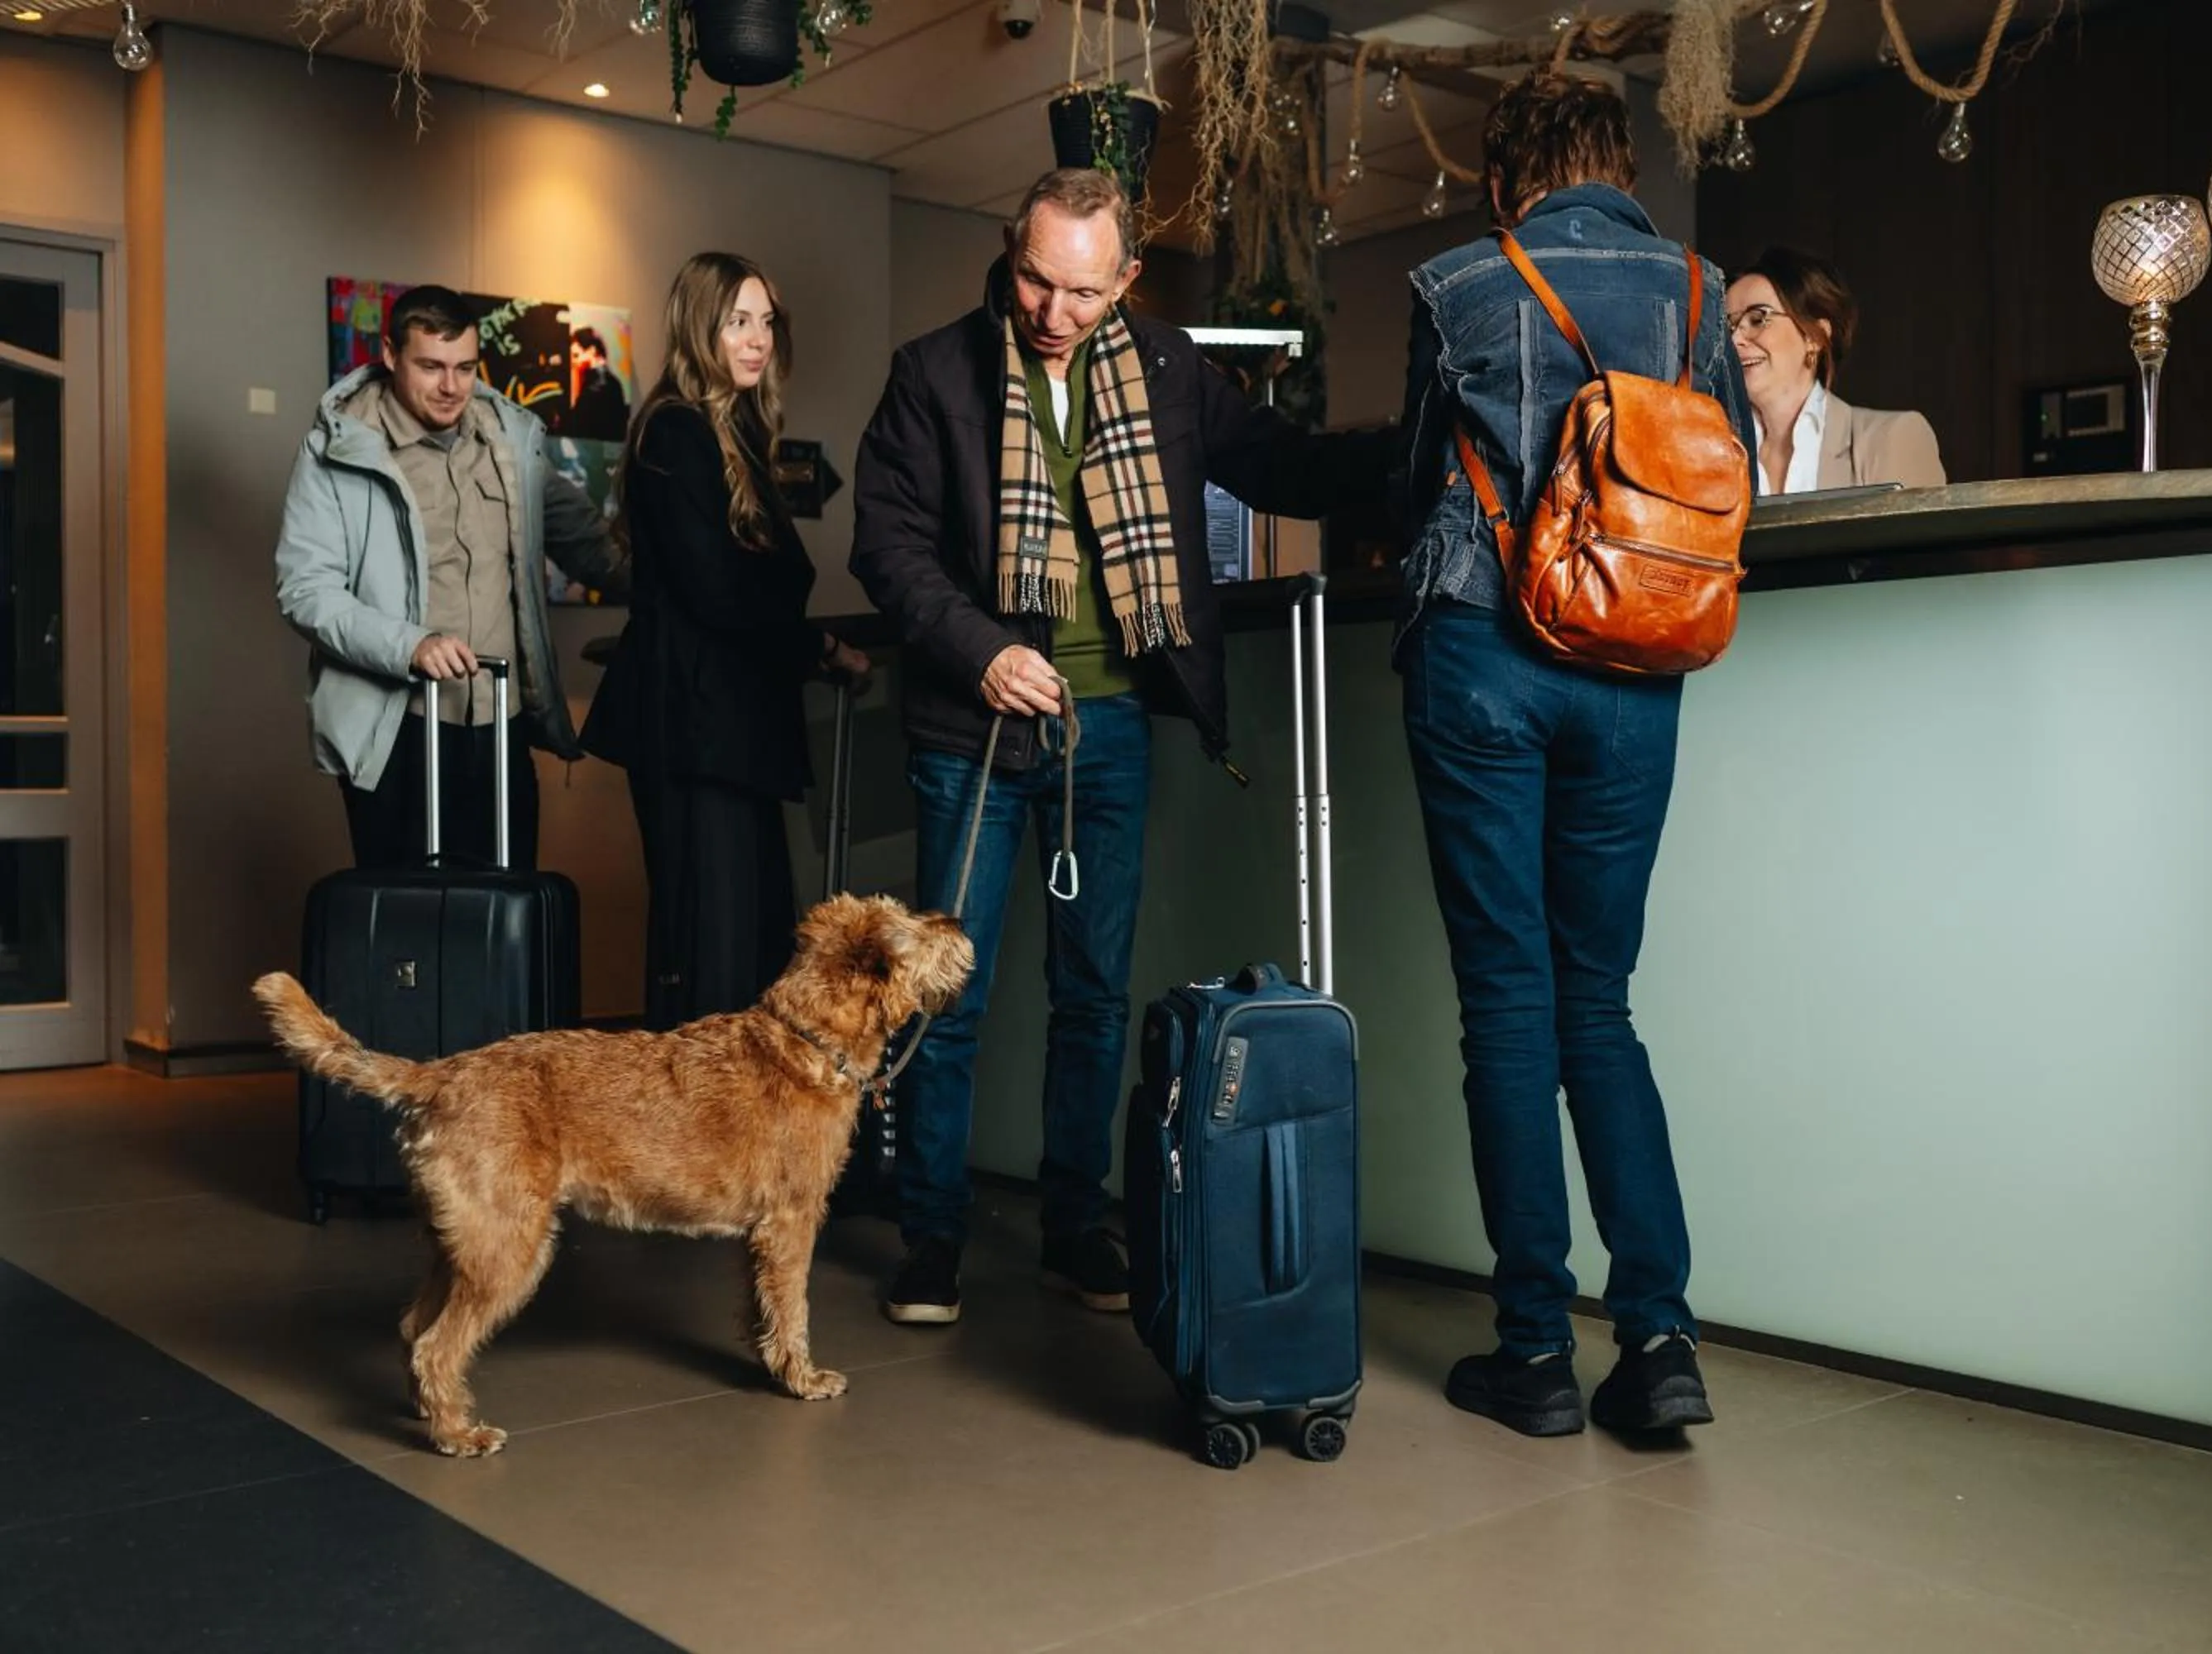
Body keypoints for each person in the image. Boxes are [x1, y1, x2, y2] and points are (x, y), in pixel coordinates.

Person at [850, 167, 1391, 1327]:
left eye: (1085, 292)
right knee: (946, 996)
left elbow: (1282, 465)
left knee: (1093, 998)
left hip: (1108, 731)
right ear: (1012, 249)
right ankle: (932, 1239)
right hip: (972, 731)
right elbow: (887, 547)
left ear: (1128, 279)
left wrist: (1430, 445)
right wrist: (981, 650)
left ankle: (1070, 1229)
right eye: (1035, 280)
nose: (1054, 312)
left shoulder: (1167, 368)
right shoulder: (934, 372)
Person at [1394, 69, 1755, 1440]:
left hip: (1483, 651)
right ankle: (1658, 1341)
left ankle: (1535, 1355)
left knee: (1509, 1003)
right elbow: (1735, 477)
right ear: (1622, 167)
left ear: (1505, 179)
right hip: (1635, 670)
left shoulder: (1456, 286)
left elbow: (1412, 482)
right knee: (1598, 1002)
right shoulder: (1702, 295)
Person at [579, 253, 871, 1031]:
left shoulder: (730, 429)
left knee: (744, 955)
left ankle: (727, 1111)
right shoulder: (677, 427)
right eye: (738, 322)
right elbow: (716, 592)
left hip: (727, 733)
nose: (757, 340)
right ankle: (696, 1114)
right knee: (712, 962)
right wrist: (817, 650)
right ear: (699, 327)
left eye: (766, 322)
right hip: (695, 731)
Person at [275, 284, 627, 872]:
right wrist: (411, 646)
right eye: (431, 367)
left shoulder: (509, 441)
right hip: (398, 731)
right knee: (408, 918)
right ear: (390, 354)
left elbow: (590, 546)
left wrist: (678, 591)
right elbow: (306, 590)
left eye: (465, 368)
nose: (451, 387)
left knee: (505, 911)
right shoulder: (338, 450)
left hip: (499, 725)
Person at [1726, 246, 1944, 495]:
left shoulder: (1893, 439)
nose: (1734, 340)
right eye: (1728, 326)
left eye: (1758, 319)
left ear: (1814, 336)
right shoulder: (1717, 455)